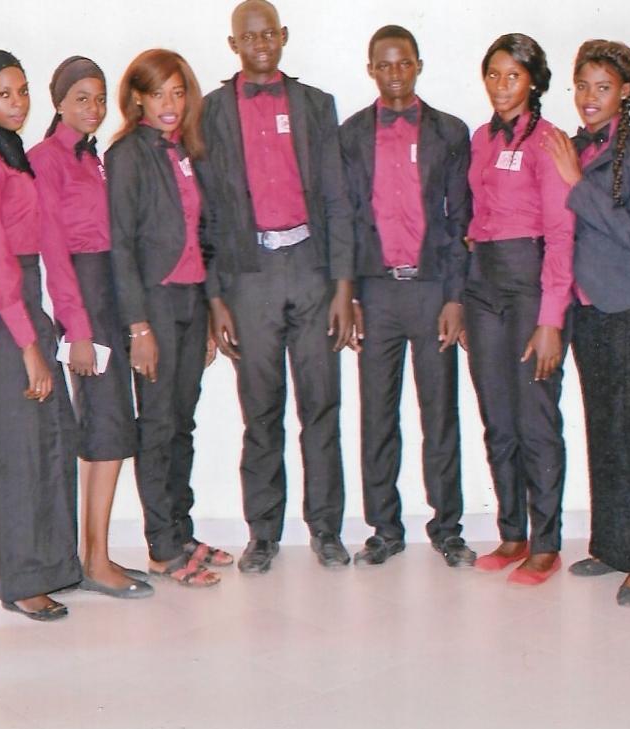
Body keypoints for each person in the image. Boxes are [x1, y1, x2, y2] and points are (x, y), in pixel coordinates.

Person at [202, 0, 357, 573]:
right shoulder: (211, 111)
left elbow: (338, 200)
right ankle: (263, 533)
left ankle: (327, 529)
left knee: (321, 405)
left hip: (312, 269)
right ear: (234, 44)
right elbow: (206, 212)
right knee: (261, 410)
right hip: (250, 276)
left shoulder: (316, 105)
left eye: (269, 33)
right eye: (249, 36)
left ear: (283, 36)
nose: (261, 43)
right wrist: (216, 297)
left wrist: (343, 287)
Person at [337, 25, 476, 568]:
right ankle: (384, 529)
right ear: (370, 69)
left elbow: (461, 218)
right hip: (375, 293)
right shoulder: (351, 134)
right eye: (384, 64)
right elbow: (345, 219)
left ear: (418, 65)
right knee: (377, 415)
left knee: (440, 415)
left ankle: (448, 528)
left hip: (431, 290)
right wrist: (348, 295)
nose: (395, 73)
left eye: (404, 63)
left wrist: (456, 297)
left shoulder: (450, 132)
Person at [0, 48, 88, 620]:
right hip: (5, 306)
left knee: (50, 437)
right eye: (3, 94)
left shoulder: (13, 153)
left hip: (29, 303)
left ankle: (52, 566)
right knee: (17, 449)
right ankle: (17, 578)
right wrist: (30, 346)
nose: (17, 103)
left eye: (23, 91)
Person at [543, 39, 630, 605]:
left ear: (626, 92)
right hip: (586, 307)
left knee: (627, 431)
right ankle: (610, 545)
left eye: (603, 87)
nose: (589, 97)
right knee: (601, 428)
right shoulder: (571, 146)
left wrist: (576, 182)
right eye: (582, 86)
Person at [29, 56, 153, 598]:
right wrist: (77, 331)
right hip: (85, 302)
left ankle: (95, 553)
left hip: (112, 295)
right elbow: (55, 253)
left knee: (114, 428)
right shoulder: (46, 159)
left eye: (100, 98)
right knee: (105, 428)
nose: (94, 108)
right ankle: (96, 562)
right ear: (58, 102)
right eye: (82, 98)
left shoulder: (95, 157)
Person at [107, 48, 224, 587]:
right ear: (138, 98)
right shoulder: (128, 154)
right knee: (157, 426)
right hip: (153, 307)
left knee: (182, 423)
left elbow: (203, 236)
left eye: (178, 92)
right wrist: (138, 327)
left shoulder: (186, 150)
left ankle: (182, 530)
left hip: (190, 303)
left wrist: (208, 316)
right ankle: (161, 548)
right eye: (158, 94)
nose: (170, 103)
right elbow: (121, 246)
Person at [463, 33, 575, 586]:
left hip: (531, 286)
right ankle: (513, 533)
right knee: (498, 419)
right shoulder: (481, 138)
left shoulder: (548, 141)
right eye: (493, 74)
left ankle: (546, 544)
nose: (501, 86)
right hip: (483, 287)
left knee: (535, 419)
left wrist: (551, 319)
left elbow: (562, 233)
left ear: (533, 81)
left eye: (513, 75)